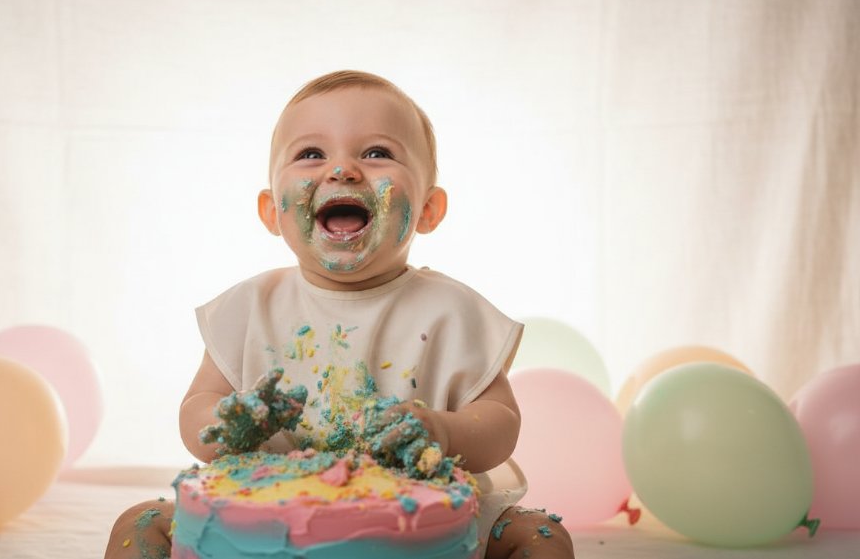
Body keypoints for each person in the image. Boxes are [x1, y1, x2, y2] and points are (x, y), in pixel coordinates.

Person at [105, 70, 575, 559]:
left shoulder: (454, 312)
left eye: (376, 154)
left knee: (538, 536)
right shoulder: (249, 308)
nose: (343, 170)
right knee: (140, 525)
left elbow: (499, 422)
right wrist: (225, 423)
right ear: (270, 211)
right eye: (311, 154)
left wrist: (442, 431)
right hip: (265, 526)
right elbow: (197, 406)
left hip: (422, 530)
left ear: (429, 209)